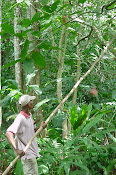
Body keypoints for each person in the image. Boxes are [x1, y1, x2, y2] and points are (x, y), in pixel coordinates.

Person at [6, 94, 47, 175]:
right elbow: (9, 133)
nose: (32, 102)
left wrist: (41, 127)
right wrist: (17, 150)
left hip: (32, 154)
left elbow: (32, 131)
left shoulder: (29, 115)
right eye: (31, 101)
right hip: (27, 155)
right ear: (28, 104)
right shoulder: (20, 118)